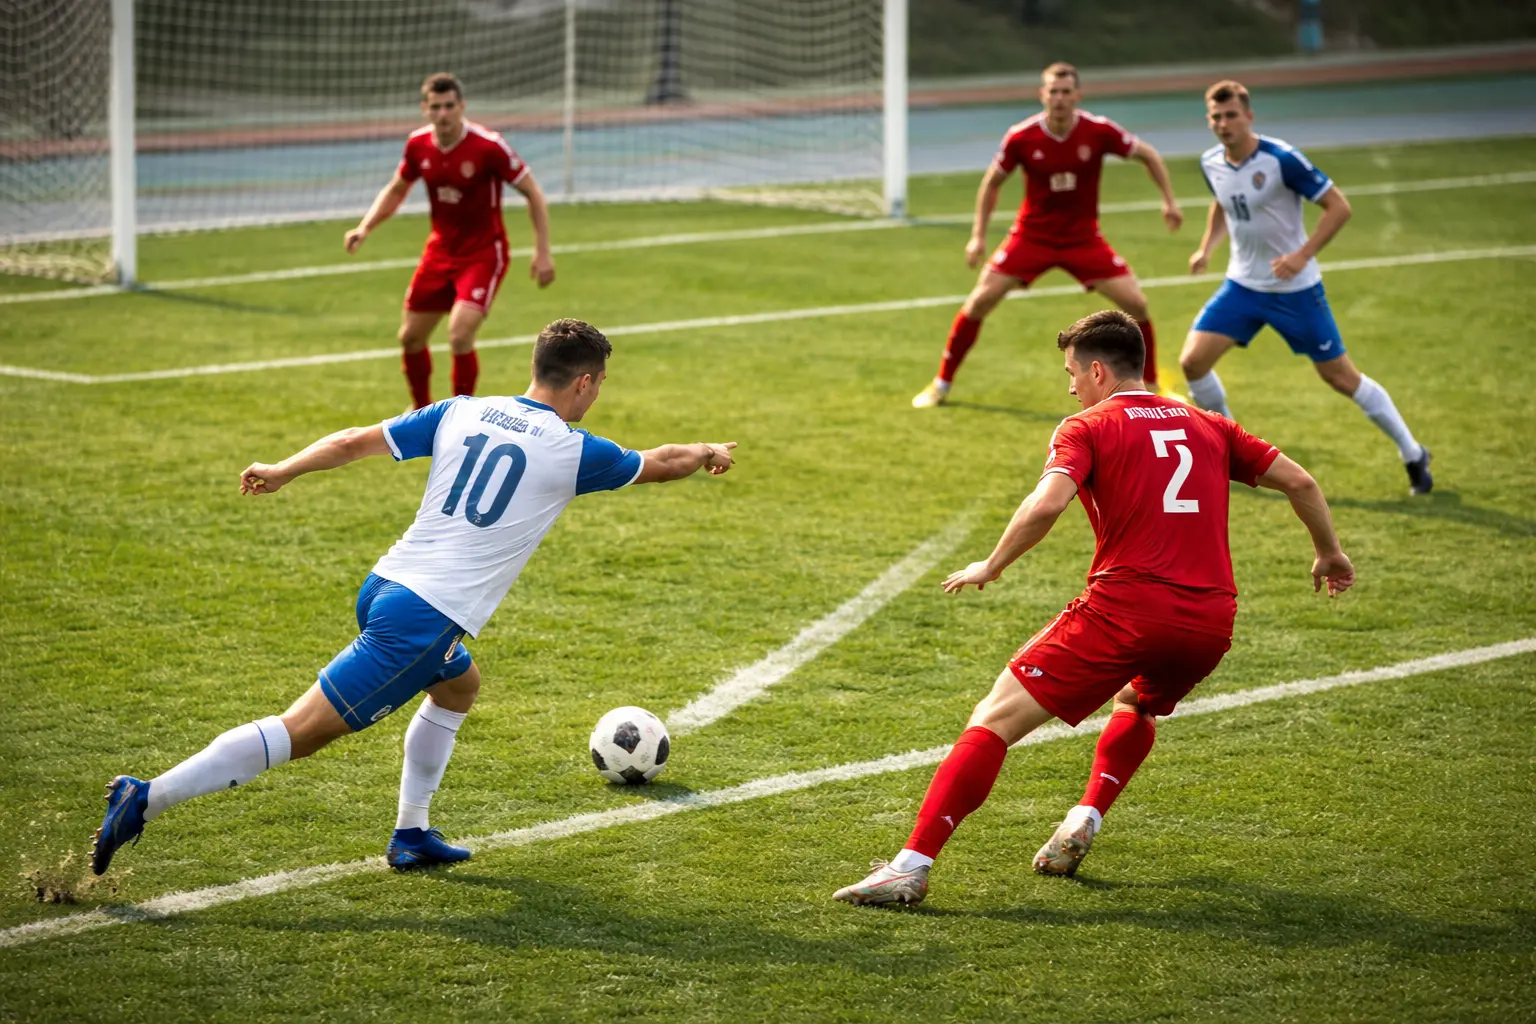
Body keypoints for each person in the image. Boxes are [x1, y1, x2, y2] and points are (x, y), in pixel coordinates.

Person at [91, 319, 737, 874]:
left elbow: (352, 442)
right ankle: (146, 797)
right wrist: (708, 449)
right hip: (423, 619)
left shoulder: (461, 409)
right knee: (300, 732)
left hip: (386, 587)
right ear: (586, 383)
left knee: (458, 686)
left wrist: (283, 469)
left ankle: (411, 835)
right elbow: (663, 460)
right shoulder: (571, 451)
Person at [836, 310, 1354, 906]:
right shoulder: (1210, 424)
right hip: (1209, 622)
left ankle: (910, 865)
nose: (1071, 386)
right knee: (1137, 701)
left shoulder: (1086, 426)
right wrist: (1330, 554)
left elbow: (1045, 505)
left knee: (993, 720)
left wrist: (992, 564)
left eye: (1073, 373)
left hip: (1125, 608)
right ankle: (1087, 815)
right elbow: (1303, 484)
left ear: (1100, 370)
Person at [1183, 80, 1432, 495]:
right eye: (1216, 117)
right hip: (1242, 287)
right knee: (1193, 363)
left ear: (1249, 116)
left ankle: (1412, 452)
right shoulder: (1211, 162)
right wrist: (1206, 247)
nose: (1224, 124)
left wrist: (1302, 254)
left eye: (1231, 115)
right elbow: (1224, 204)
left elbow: (1339, 206)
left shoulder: (1282, 160)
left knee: (1340, 377)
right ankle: (1227, 449)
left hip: (1295, 290)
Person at [912, 62, 1182, 409]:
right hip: (1031, 237)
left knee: (1138, 305)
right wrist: (977, 236)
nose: (1059, 98)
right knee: (979, 301)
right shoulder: (1021, 136)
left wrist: (1169, 202)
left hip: (1083, 239)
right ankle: (941, 384)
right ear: (1043, 95)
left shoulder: (1098, 131)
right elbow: (992, 183)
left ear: (1077, 96)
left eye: (1066, 92)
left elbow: (1148, 154)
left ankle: (1152, 387)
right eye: (1053, 91)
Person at [345, 72, 557, 409]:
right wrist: (365, 227)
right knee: (410, 338)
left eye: (449, 106)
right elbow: (398, 188)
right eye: (435, 107)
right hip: (440, 251)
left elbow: (532, 191)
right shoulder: (418, 145)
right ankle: (420, 411)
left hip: (484, 253)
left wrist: (542, 252)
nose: (442, 114)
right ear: (425, 109)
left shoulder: (488, 146)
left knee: (459, 334)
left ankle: (462, 414)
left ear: (462, 106)